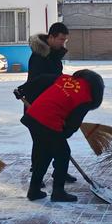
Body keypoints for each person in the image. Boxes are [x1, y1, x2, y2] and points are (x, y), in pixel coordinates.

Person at [15, 69, 104, 202]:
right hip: (48, 121)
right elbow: (73, 123)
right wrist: (62, 136)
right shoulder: (85, 97)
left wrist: (23, 89)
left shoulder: (64, 79)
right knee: (63, 154)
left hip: (32, 116)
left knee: (43, 153)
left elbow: (42, 78)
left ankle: (33, 190)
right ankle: (58, 192)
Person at [27, 22, 77, 184]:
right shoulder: (38, 56)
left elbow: (56, 77)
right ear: (51, 37)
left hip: (52, 105)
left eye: (65, 41)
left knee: (58, 139)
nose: (63, 43)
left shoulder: (55, 55)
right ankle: (37, 174)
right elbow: (37, 81)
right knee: (40, 142)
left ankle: (59, 171)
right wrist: (58, 80)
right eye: (61, 39)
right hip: (35, 104)